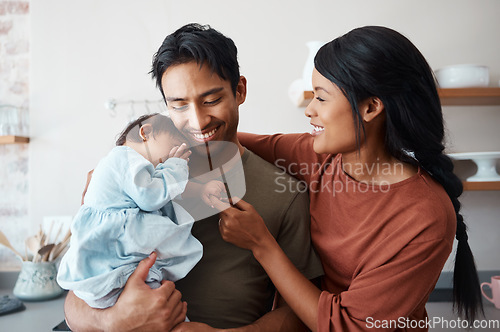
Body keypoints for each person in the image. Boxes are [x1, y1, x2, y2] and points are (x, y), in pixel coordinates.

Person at [217, 26, 484, 331]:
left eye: (321, 98)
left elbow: (348, 326)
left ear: (371, 107)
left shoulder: (425, 216)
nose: (309, 110)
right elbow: (233, 140)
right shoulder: (319, 157)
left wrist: (261, 244)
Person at [63, 23, 323, 331]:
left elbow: (304, 313)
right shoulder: (134, 176)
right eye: (179, 105)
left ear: (239, 90)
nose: (197, 120)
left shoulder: (283, 195)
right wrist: (112, 321)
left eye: (211, 99)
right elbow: (78, 291)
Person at [58, 113, 220, 309]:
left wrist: (201, 189)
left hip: (116, 263)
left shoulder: (135, 169)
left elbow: (169, 190)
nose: (175, 154)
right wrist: (175, 167)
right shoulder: (123, 158)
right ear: (146, 133)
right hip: (113, 252)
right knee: (151, 305)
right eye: (175, 145)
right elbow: (151, 197)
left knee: (152, 304)